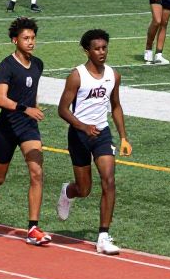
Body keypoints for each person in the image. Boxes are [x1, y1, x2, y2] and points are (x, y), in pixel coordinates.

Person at [0, 17, 51, 246]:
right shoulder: (6, 65)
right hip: (7, 128)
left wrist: (34, 107)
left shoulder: (38, 65)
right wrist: (26, 109)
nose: (31, 42)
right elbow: (0, 99)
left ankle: (32, 228)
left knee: (36, 173)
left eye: (33, 38)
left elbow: (30, 91)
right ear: (15, 40)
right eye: (26, 38)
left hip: (29, 128)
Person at [56, 29, 132, 255]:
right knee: (84, 189)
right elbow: (62, 109)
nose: (102, 52)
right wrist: (83, 127)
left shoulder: (113, 75)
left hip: (102, 135)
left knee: (109, 180)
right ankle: (68, 192)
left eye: (104, 48)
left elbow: (115, 106)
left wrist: (123, 137)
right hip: (79, 136)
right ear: (87, 51)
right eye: (97, 49)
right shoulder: (76, 76)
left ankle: (103, 236)